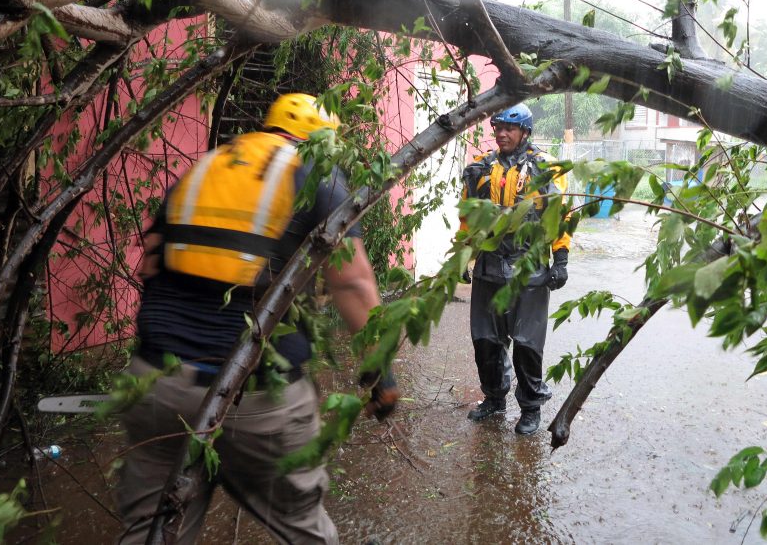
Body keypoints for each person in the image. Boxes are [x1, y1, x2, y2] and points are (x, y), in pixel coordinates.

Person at [116, 93, 399, 544]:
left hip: (158, 385)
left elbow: (150, 264)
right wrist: (382, 374)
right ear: (322, 139)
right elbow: (353, 285)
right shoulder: (317, 174)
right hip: (256, 397)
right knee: (301, 528)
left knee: (153, 531)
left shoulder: (204, 166)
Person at [460, 103, 570, 435]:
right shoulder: (480, 169)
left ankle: (531, 407)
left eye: (509, 128)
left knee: (526, 343)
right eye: (498, 128)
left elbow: (559, 215)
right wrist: (464, 256)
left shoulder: (545, 168)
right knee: (486, 340)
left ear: (524, 131)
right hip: (490, 268)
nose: (502, 134)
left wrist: (561, 259)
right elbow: (469, 217)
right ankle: (494, 398)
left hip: (529, 268)